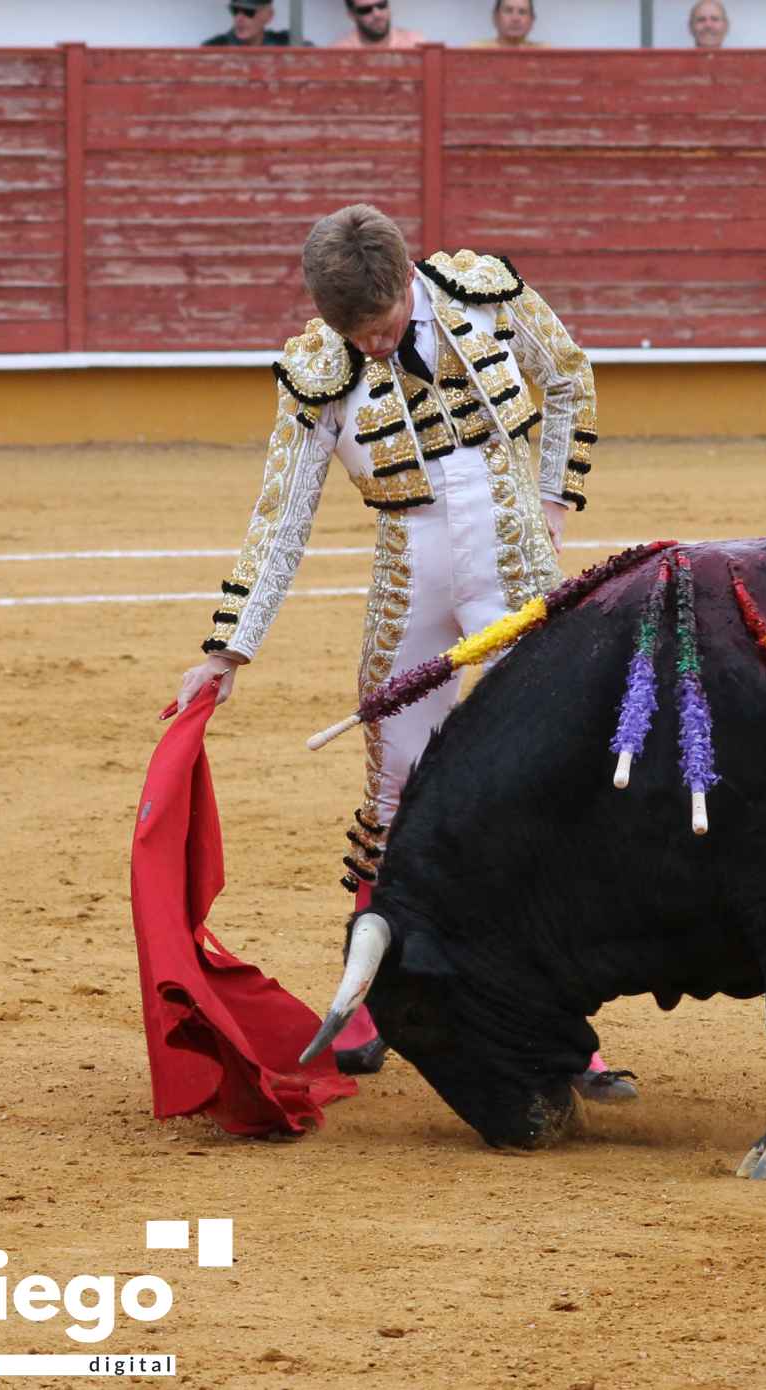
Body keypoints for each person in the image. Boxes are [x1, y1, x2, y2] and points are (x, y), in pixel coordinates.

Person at [171, 205, 630, 1100]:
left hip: (517, 566)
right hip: (406, 576)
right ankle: (376, 994)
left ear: (408, 282)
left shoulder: (485, 298)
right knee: (392, 787)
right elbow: (282, 517)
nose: (373, 351)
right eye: (357, 338)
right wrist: (230, 650)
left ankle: (564, 1022)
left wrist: (555, 502)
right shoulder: (320, 370)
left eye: (382, 330)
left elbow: (569, 377)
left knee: (543, 787)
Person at [329, 0, 427, 49]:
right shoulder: (339, 52)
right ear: (352, 15)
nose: (377, 14)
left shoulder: (415, 44)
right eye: (366, 10)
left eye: (381, 5)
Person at [202, 1, 303, 47]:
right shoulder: (214, 48)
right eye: (235, 11)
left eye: (248, 12)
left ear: (269, 16)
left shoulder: (284, 44)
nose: (239, 18)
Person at [472, 0, 543, 47]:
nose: (515, 18)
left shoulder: (545, 54)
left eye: (522, 12)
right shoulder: (474, 53)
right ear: (495, 18)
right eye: (508, 11)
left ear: (532, 20)